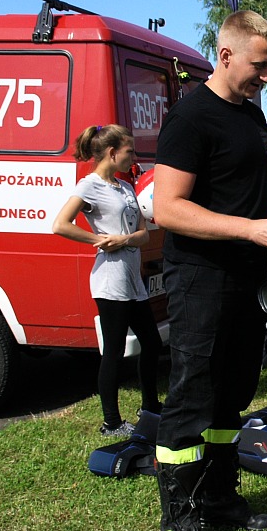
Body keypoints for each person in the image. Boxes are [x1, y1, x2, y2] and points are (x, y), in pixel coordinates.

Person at [151, 10, 267, 531]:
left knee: (232, 393)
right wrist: (248, 229)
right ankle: (178, 522)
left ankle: (217, 496)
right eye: (260, 66)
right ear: (227, 53)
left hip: (247, 275)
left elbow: (246, 195)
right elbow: (167, 208)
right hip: (200, 278)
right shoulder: (190, 116)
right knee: (192, 397)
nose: (266, 77)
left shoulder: (254, 116)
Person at [52, 124, 162, 437]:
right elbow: (60, 224)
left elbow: (142, 235)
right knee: (113, 350)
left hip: (132, 280)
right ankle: (111, 422)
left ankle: (150, 405)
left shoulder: (126, 187)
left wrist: (126, 239)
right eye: (130, 151)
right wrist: (98, 239)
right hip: (110, 280)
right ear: (113, 154)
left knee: (151, 343)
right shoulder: (89, 186)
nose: (134, 157)